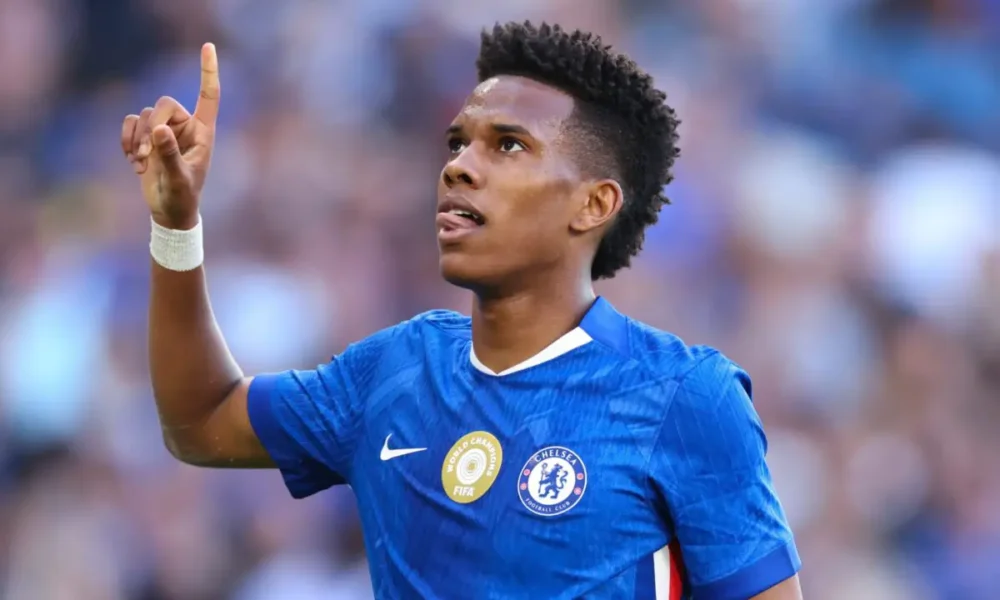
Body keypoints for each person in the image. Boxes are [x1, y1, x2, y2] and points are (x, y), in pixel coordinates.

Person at [120, 21, 802, 600]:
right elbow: (200, 422)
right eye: (458, 143)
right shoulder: (393, 371)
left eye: (508, 145)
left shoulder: (684, 397)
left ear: (593, 204)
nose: (459, 167)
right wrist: (176, 226)